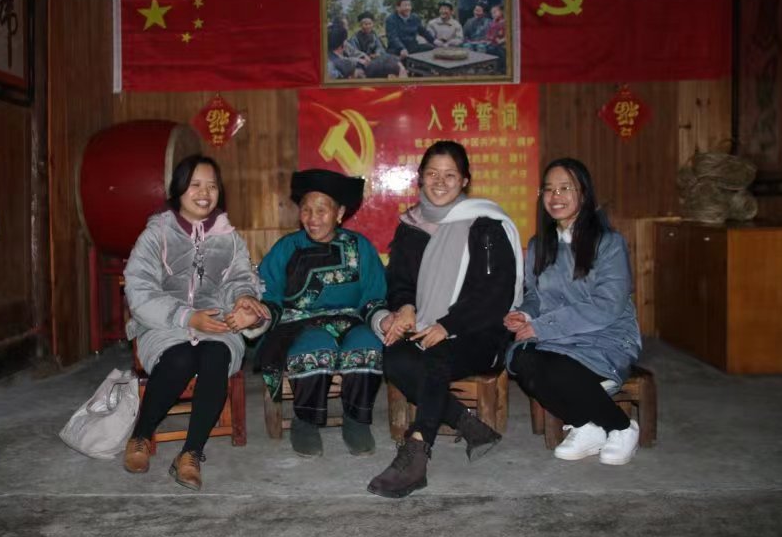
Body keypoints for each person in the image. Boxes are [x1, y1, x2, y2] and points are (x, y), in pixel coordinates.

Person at [367, 141, 524, 499]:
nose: (440, 182)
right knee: (395, 357)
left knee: (433, 356)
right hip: (426, 326)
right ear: (420, 178)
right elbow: (400, 281)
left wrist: (448, 326)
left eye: (450, 175)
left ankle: (417, 450)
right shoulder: (410, 226)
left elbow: (496, 294)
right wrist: (406, 307)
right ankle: (469, 424)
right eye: (432, 174)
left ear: (465, 180)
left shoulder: (486, 225)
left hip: (480, 332)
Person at [122, 155, 267, 490]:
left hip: (216, 321)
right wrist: (187, 317)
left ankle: (190, 453)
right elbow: (140, 290)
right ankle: (141, 435)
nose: (205, 193)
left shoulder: (228, 238)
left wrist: (245, 300)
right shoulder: (156, 235)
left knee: (216, 356)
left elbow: (240, 280)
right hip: (164, 322)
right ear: (178, 190)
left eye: (212, 186)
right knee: (181, 357)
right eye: (195, 185)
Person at [504, 158, 642, 466]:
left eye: (565, 188)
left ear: (584, 193)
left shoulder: (609, 243)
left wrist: (541, 327)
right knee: (522, 359)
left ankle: (621, 427)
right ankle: (586, 426)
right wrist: (525, 315)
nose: (556, 196)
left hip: (606, 336)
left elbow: (607, 306)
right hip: (557, 338)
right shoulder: (540, 245)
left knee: (556, 368)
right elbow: (535, 296)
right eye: (549, 189)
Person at [251, 169, 387, 458]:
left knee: (368, 345)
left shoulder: (359, 246)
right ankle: (306, 422)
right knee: (317, 346)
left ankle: (356, 420)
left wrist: (382, 318)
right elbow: (267, 291)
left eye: (322, 210)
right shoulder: (287, 247)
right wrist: (259, 313)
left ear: (340, 213)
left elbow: (374, 295)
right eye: (306, 210)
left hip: (351, 320)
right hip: (298, 323)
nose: (312, 218)